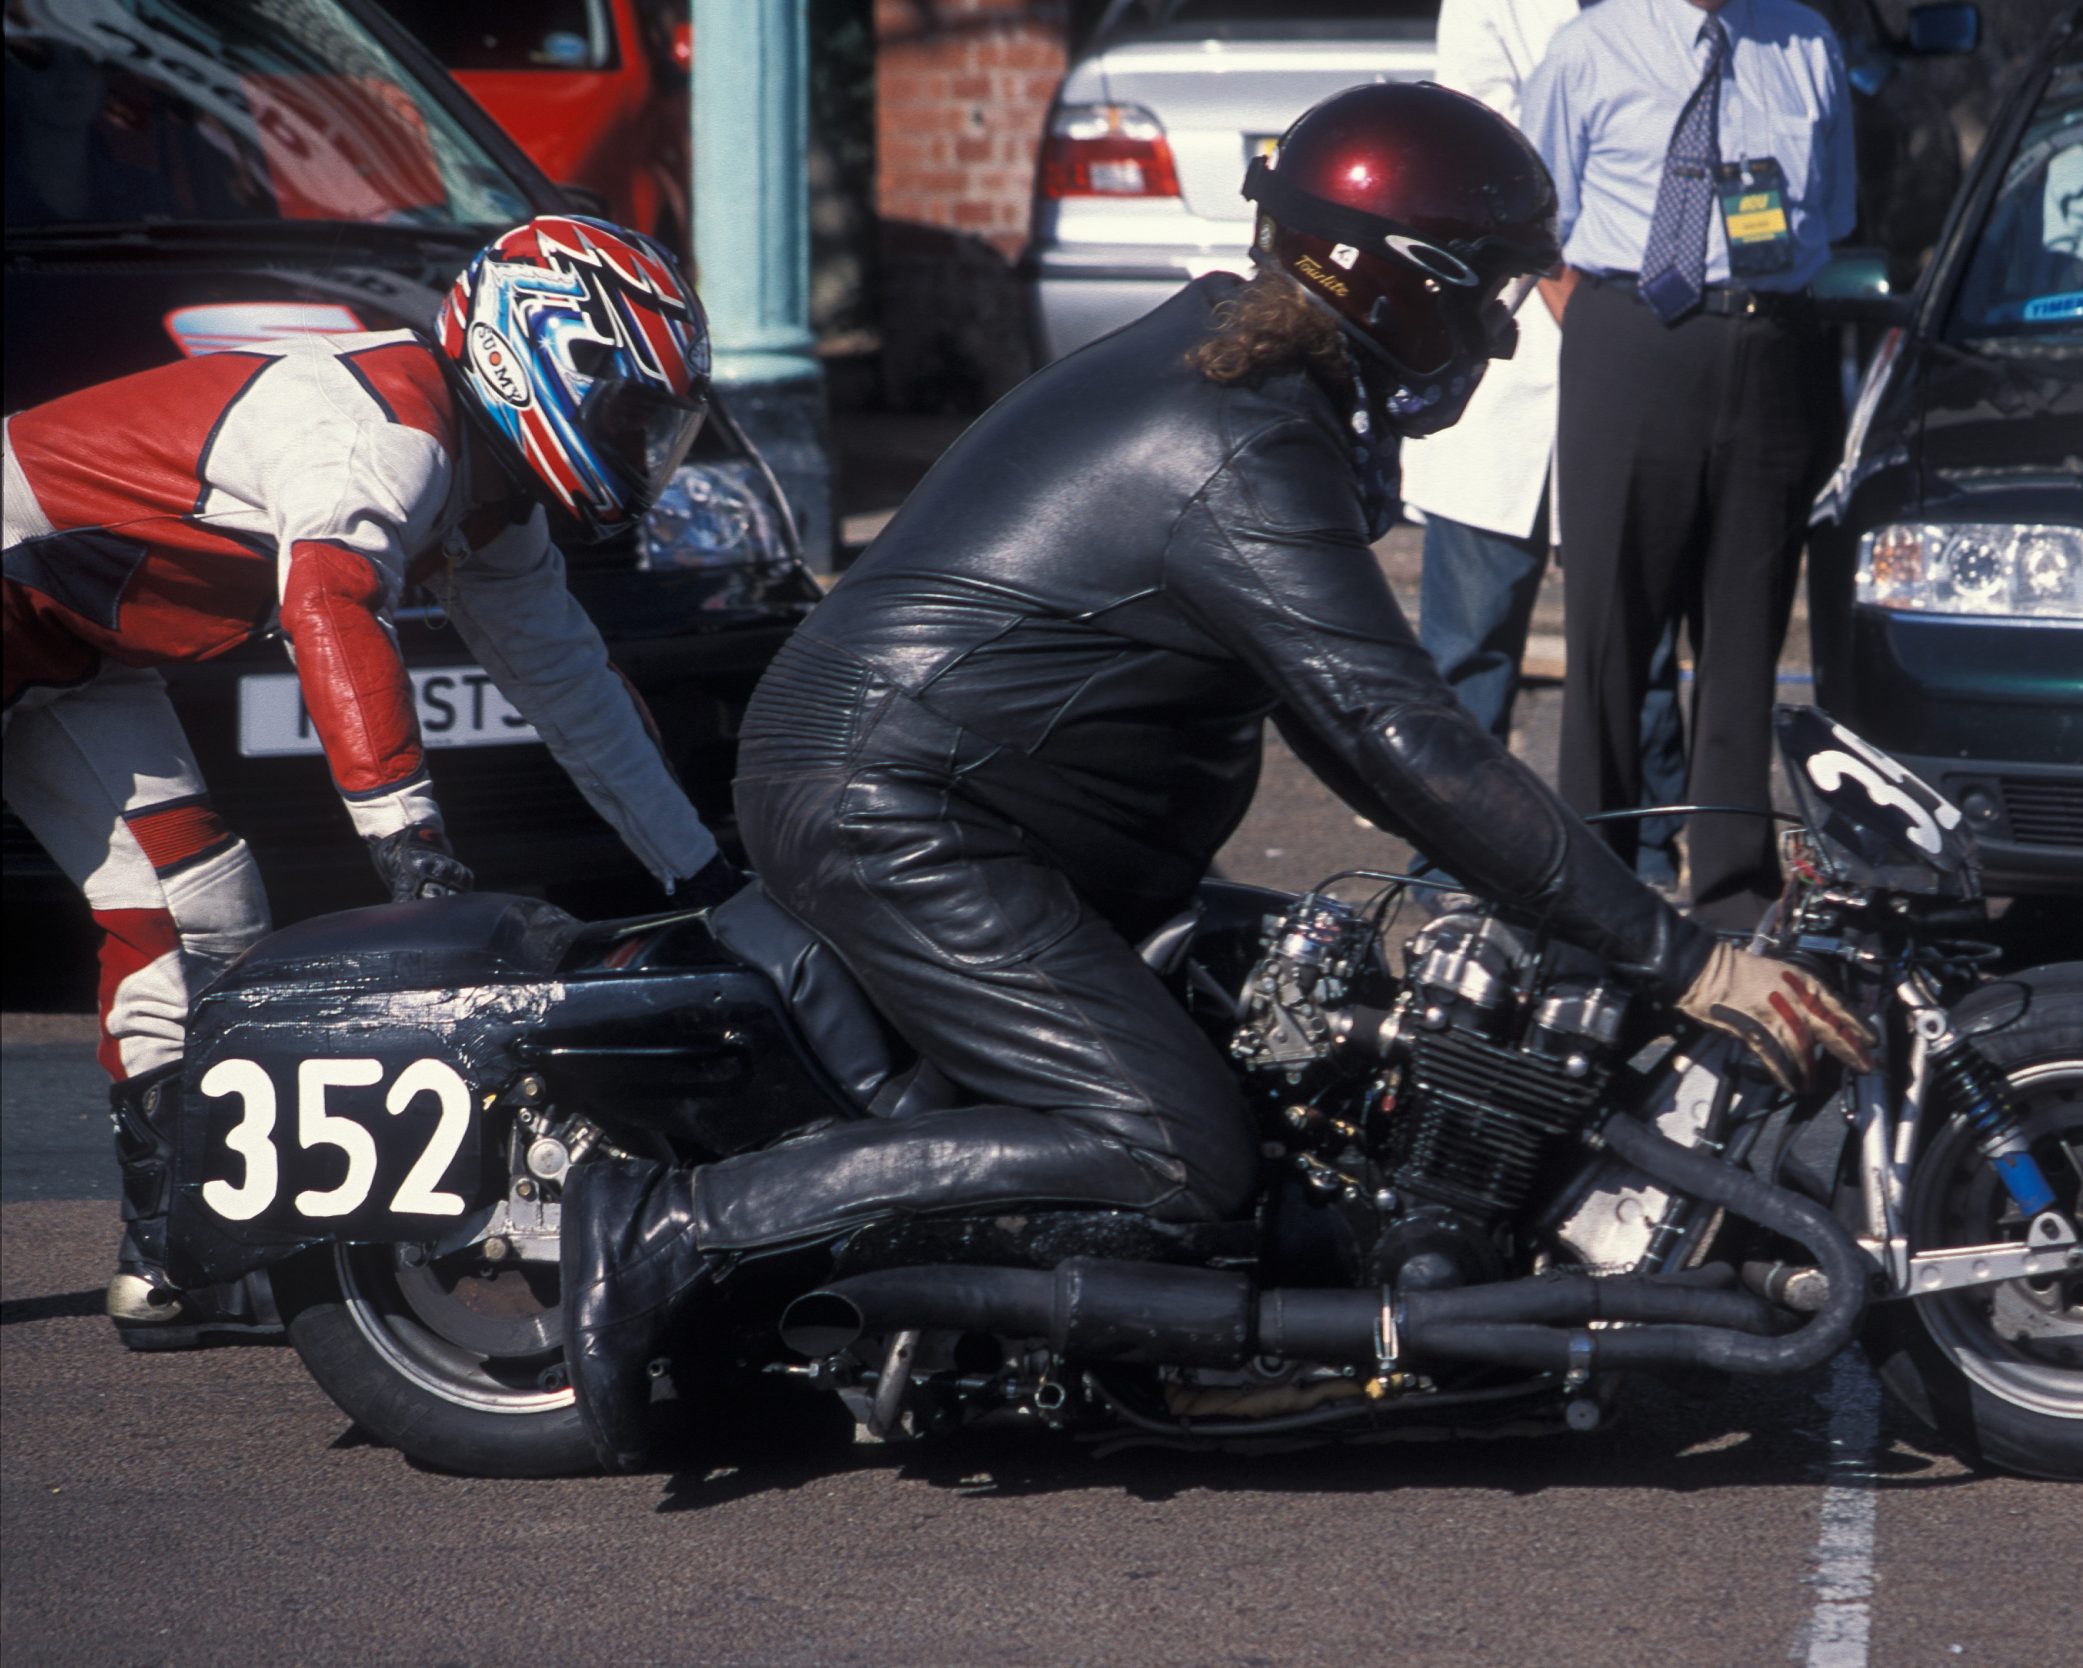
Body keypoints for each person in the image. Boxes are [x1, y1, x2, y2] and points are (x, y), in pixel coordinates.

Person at [557, 83, 1877, 1474]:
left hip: (970, 807)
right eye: (1484, 291)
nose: (1498, 333)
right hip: (900, 816)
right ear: (1395, 278)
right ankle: (672, 1226)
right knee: (1175, 1150)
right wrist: (1683, 959)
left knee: (1308, 1033)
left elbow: (1353, 726)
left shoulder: (1248, 385)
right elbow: (1397, 737)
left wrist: (1573, 912)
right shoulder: (1237, 444)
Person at [1, 215, 744, 1345]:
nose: (642, 445)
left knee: (199, 909)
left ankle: (172, 1259)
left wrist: (703, 878)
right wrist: (410, 846)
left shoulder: (491, 501)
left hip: (68, 646)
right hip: (24, 601)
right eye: (630, 411)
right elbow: (329, 604)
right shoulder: (386, 430)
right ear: (528, 358)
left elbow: (574, 692)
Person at [1521, 0, 1856, 930]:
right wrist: (1612, 336)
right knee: (1611, 640)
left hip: (1771, 344)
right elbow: (1538, 225)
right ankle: (1592, 893)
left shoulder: (1807, 43)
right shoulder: (1588, 48)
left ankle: (1731, 896)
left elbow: (1831, 210)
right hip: (1633, 339)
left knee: (1745, 643)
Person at [1399, 0, 1686, 900]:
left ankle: (1644, 861)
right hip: (1509, 361)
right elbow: (1489, 157)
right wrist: (1577, 295)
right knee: (1470, 648)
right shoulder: (1489, 7)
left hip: (1638, 346)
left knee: (1638, 648)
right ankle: (1450, 870)